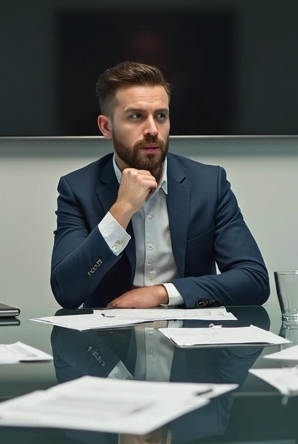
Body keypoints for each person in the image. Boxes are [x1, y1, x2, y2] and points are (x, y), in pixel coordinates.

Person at [50, 61, 268, 309]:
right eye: (136, 116)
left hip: (193, 341)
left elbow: (254, 280)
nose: (153, 129)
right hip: (110, 342)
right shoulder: (77, 190)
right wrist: (121, 209)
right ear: (106, 127)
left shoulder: (209, 184)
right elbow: (67, 291)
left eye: (161, 116)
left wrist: (162, 293)